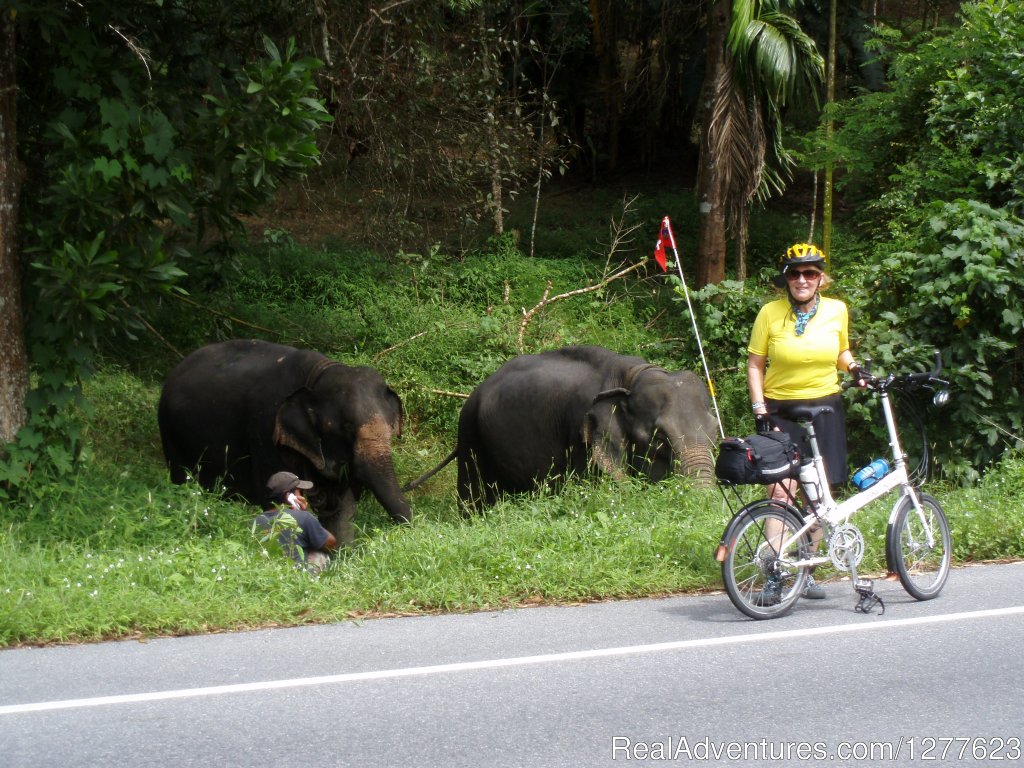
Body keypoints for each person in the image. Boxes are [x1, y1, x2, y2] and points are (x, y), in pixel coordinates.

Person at [746, 243, 866, 603]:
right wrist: (760, 409)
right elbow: (755, 364)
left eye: (810, 273)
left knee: (819, 496)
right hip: (781, 411)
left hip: (825, 409)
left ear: (820, 279)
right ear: (786, 278)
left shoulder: (836, 310)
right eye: (795, 273)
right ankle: (774, 572)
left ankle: (807, 570)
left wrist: (856, 368)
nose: (802, 279)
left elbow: (841, 352)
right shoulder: (769, 313)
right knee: (780, 492)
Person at [254, 471, 337, 574]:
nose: (303, 496)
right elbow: (331, 544)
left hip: (269, 574)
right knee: (321, 555)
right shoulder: (304, 517)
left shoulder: (256, 521)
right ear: (289, 496)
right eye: (300, 492)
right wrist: (306, 514)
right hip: (297, 576)